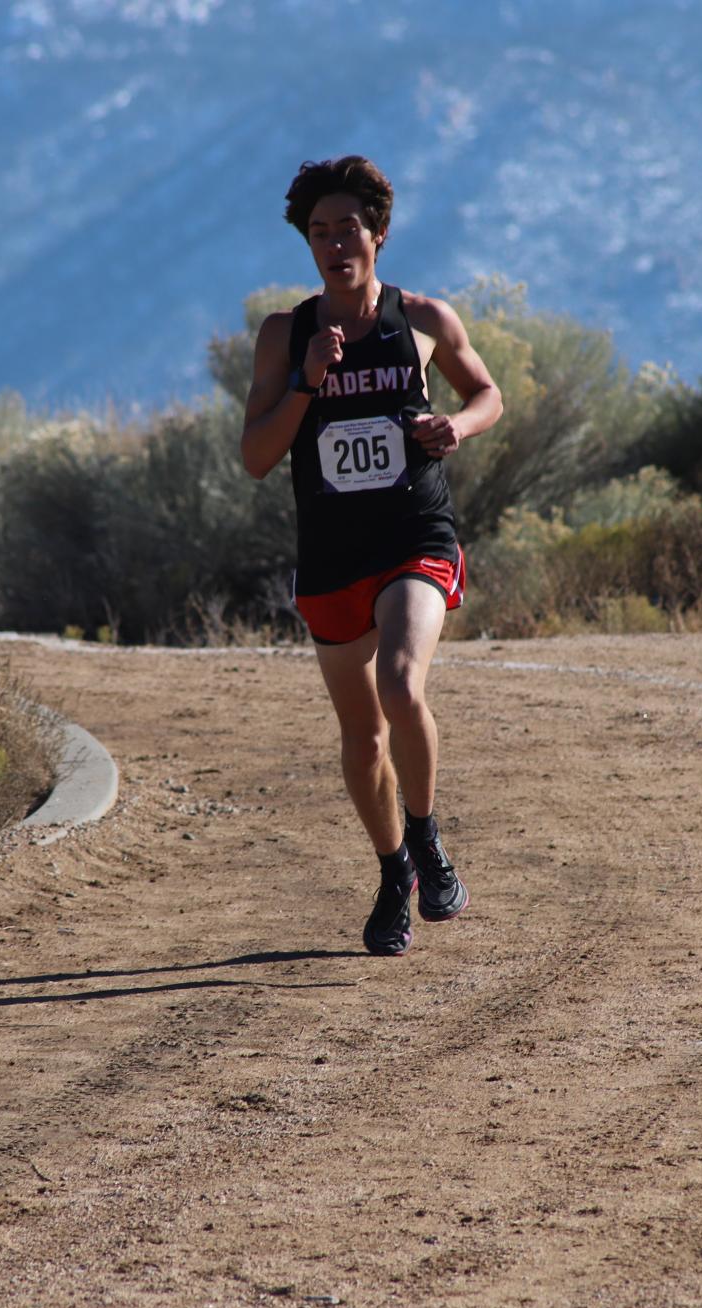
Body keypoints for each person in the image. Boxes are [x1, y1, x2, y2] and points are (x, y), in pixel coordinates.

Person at [239, 156, 503, 956]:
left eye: (346, 228)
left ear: (377, 234)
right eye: (317, 232)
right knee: (361, 738)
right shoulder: (286, 336)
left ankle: (424, 836)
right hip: (329, 553)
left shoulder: (422, 319)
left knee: (399, 680)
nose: (332, 243)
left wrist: (454, 427)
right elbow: (255, 455)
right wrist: (306, 385)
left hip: (413, 535)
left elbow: (487, 394)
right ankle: (394, 872)